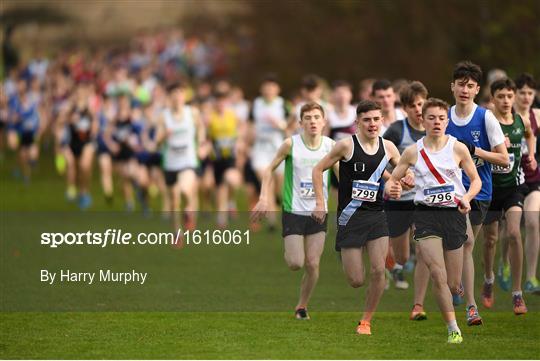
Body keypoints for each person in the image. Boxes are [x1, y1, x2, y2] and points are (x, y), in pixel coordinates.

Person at [385, 97, 481, 344]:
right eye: (431, 118)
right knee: (437, 274)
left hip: (454, 215)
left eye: (441, 118)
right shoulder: (413, 151)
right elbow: (393, 180)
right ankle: (453, 328)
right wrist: (398, 184)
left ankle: (457, 291)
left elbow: (476, 180)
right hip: (425, 215)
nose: (437, 122)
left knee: (452, 283)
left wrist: (468, 197)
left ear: (447, 121)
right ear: (423, 120)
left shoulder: (457, 148)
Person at [311, 100, 403, 335]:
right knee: (356, 280)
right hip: (350, 218)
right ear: (357, 123)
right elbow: (318, 169)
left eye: (376, 119)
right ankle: (359, 257)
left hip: (376, 216)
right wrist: (321, 203)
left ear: (382, 120)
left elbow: (402, 172)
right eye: (367, 120)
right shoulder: (346, 146)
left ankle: (366, 321)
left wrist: (400, 182)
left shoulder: (389, 147)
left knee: (377, 271)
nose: (372, 124)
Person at [252, 102, 337, 320]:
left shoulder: (330, 146)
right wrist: (263, 198)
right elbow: (269, 170)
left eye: (317, 117)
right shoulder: (290, 144)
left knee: (312, 263)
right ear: (300, 123)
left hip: (319, 211)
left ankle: (302, 306)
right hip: (294, 211)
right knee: (295, 263)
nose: (313, 122)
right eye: (307, 118)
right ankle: (290, 249)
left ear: (324, 121)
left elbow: (343, 176)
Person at [445, 60, 509, 326]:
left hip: (479, 191)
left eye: (470, 86)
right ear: (452, 87)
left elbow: (504, 160)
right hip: (450, 191)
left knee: (466, 245)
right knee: (467, 241)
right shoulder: (443, 117)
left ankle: (457, 284)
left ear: (476, 89)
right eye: (461, 84)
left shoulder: (485, 117)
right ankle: (471, 307)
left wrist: (475, 151)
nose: (464, 90)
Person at [481, 78, 533, 314]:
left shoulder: (520, 121)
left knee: (513, 233)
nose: (505, 101)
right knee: (490, 240)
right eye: (500, 96)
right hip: (490, 189)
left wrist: (530, 154)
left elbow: (530, 133)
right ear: (493, 99)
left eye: (509, 96)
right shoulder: (486, 123)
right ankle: (489, 279)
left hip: (514, 187)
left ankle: (517, 294)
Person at [383, 81, 431, 309]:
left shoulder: (436, 127)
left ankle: (419, 304)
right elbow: (379, 160)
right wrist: (397, 178)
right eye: (412, 105)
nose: (418, 109)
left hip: (425, 199)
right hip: (399, 200)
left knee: (423, 248)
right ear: (405, 108)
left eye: (421, 104)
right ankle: (394, 262)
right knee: (402, 257)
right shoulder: (396, 130)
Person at [156, 82, 205, 236]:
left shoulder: (193, 113)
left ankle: (189, 210)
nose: (177, 97)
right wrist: (164, 135)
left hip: (188, 160)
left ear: (184, 96)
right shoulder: (164, 116)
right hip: (170, 163)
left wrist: (201, 144)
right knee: (174, 200)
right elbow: (156, 140)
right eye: (174, 94)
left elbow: (201, 128)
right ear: (169, 97)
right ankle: (177, 233)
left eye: (180, 93)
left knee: (185, 189)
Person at [250, 74, 289, 230]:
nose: (269, 89)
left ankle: (278, 199)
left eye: (272, 86)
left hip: (278, 148)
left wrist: (279, 124)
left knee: (278, 185)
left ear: (277, 89)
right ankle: (272, 220)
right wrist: (246, 140)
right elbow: (249, 124)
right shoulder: (256, 104)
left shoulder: (283, 104)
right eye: (266, 86)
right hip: (260, 148)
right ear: (262, 89)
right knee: (267, 182)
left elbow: (290, 126)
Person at [513, 73, 540, 294]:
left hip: (533, 180)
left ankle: (531, 277)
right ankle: (502, 264)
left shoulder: (538, 116)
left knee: (532, 222)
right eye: (522, 92)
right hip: (510, 180)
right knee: (506, 233)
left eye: (530, 93)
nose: (526, 97)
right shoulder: (504, 116)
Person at [208, 90, 242, 228]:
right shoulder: (210, 118)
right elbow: (206, 136)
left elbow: (241, 129)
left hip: (230, 156)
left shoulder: (232, 116)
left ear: (226, 102)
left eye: (223, 101)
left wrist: (240, 143)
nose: (220, 104)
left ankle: (231, 202)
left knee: (232, 180)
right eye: (218, 101)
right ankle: (221, 217)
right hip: (217, 158)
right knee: (220, 188)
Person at [61, 83, 98, 209]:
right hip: (72, 141)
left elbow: (95, 125)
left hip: (86, 142)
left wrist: (92, 133)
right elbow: (60, 123)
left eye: (83, 93)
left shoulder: (90, 109)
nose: (80, 95)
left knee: (85, 167)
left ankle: (85, 192)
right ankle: (72, 188)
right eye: (78, 93)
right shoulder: (69, 108)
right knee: (72, 167)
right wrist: (69, 119)